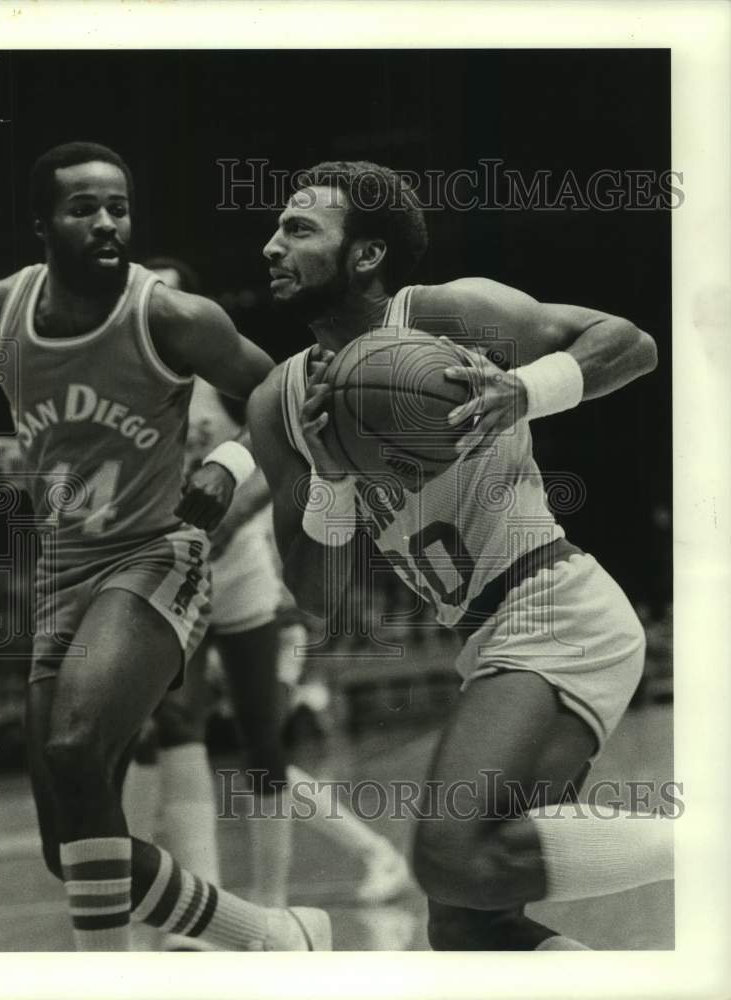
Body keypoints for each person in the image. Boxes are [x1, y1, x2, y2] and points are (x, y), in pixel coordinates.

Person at [248, 160, 671, 950]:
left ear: (366, 254)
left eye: (299, 229)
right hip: (484, 640)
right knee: (469, 923)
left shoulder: (447, 313)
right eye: (275, 227)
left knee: (447, 855)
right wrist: (333, 481)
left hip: (553, 605)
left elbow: (631, 344)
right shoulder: (278, 406)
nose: (272, 245)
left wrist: (526, 391)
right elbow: (318, 599)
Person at [0, 141, 330, 951]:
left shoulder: (171, 316)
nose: (108, 223)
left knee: (76, 746)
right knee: (67, 848)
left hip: (156, 558)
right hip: (62, 574)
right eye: (83, 209)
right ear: (41, 224)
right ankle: (272, 936)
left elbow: (291, 396)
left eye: (119, 207)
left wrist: (231, 461)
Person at [122, 258, 411, 950]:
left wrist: (222, 520)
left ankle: (278, 901)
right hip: (177, 577)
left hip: (251, 577)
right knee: (163, 731)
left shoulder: (221, 380)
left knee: (264, 752)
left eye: (174, 297)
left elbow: (281, 461)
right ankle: (198, 910)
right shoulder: (127, 386)